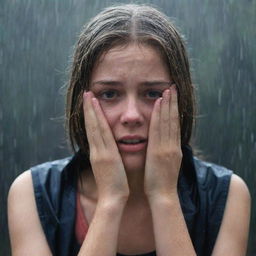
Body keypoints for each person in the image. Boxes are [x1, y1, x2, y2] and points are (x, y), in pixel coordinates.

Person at [8, 4, 251, 256]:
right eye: (110, 94)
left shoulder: (227, 195)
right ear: (80, 103)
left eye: (153, 93)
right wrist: (111, 200)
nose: (132, 115)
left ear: (183, 100)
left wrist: (164, 197)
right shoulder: (34, 195)